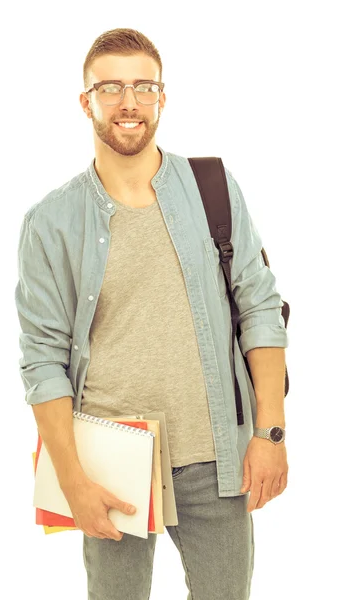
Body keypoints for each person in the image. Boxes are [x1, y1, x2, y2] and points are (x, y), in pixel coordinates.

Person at [15, 27, 289, 600]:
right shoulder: (52, 222)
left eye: (144, 85)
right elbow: (42, 361)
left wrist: (271, 431)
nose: (129, 102)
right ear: (85, 101)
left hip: (217, 456)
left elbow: (261, 308)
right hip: (109, 460)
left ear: (163, 97)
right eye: (110, 87)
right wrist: (71, 478)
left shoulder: (211, 186)